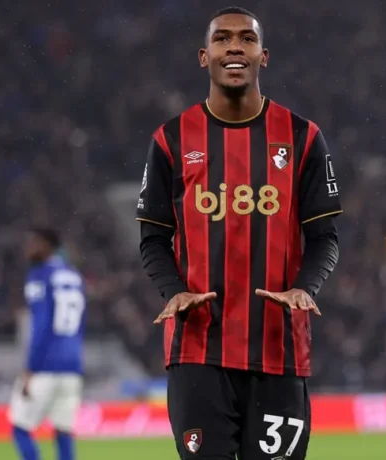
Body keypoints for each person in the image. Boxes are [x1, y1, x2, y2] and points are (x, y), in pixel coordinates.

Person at [137, 6, 342, 459]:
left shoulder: (303, 137)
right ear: (204, 56)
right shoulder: (171, 139)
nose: (234, 47)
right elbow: (153, 239)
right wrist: (173, 291)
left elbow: (324, 237)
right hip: (197, 351)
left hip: (278, 350)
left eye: (247, 39)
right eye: (222, 39)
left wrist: (305, 287)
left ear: (263, 56)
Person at [9, 228, 86, 460]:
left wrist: (30, 368)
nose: (28, 248)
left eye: (33, 243)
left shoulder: (40, 275)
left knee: (19, 427)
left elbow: (41, 325)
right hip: (72, 366)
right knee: (63, 431)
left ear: (46, 245)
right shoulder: (74, 276)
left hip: (45, 365)